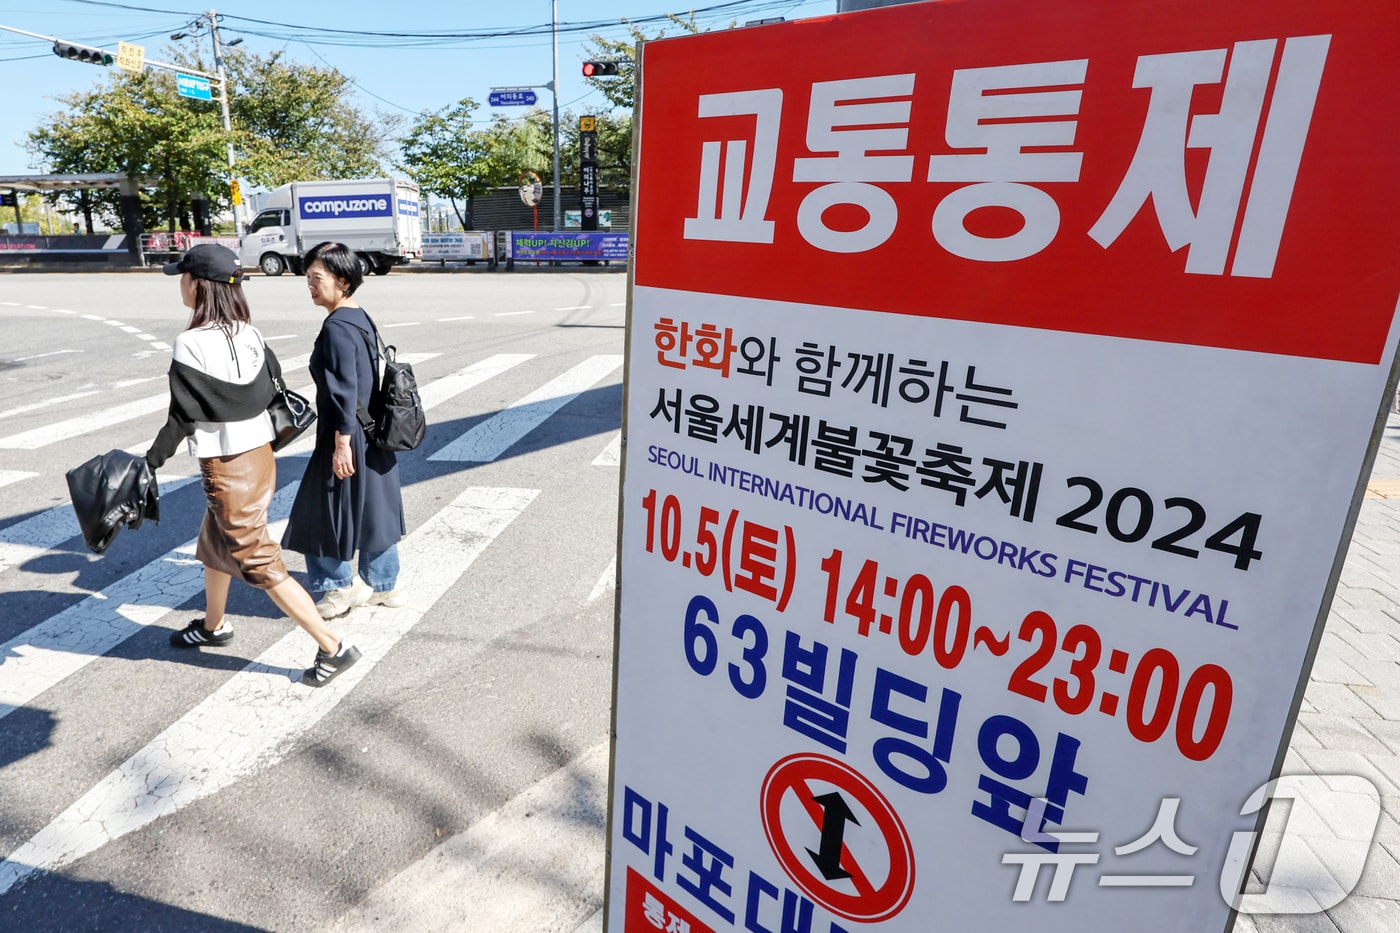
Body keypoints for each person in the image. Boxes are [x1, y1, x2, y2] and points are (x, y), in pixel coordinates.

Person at [145, 243, 361, 688]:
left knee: (260, 561)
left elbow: (183, 416)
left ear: (199, 286)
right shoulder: (250, 334)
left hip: (227, 467)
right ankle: (213, 625)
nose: (181, 285)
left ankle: (333, 647)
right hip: (261, 458)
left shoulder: (190, 342)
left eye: (184, 277)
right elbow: (263, 395)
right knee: (216, 542)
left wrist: (149, 464)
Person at [283, 241, 406, 618]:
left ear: (342, 279)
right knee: (373, 510)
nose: (310, 286)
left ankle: (337, 590)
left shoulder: (336, 326)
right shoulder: (359, 316)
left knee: (319, 513)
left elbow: (343, 389)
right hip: (371, 432)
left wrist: (340, 445)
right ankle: (385, 586)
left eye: (316, 278)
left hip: (346, 435)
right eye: (308, 279)